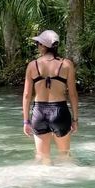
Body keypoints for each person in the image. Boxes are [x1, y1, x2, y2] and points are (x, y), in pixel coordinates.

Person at [22, 30, 78, 163]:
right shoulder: (66, 64)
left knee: (42, 157)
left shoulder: (32, 65)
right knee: (65, 155)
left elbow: (26, 95)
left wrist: (26, 121)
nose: (37, 46)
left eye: (37, 43)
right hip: (60, 111)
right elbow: (73, 94)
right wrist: (75, 120)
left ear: (43, 45)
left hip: (39, 112)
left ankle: (45, 181)